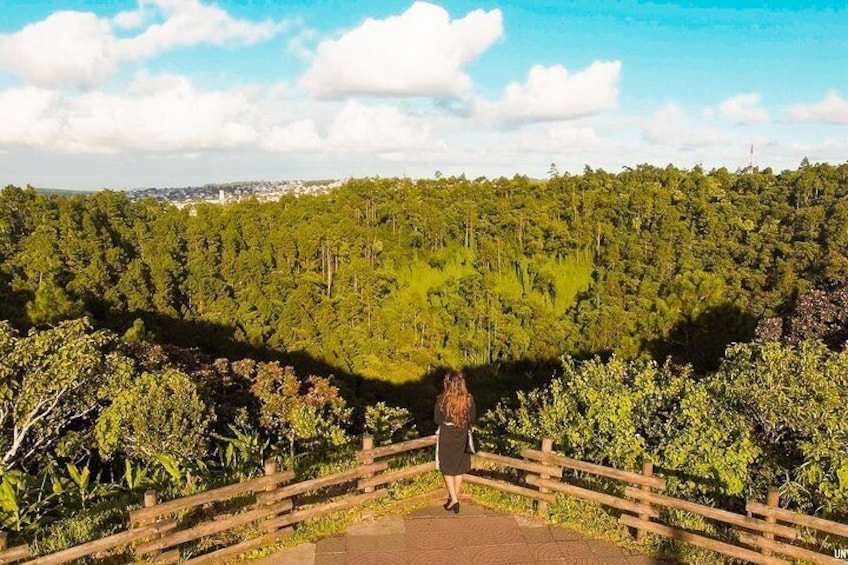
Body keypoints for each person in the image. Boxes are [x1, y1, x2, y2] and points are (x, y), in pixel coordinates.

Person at [434, 372, 476, 513]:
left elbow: (437, 420)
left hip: (447, 435)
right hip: (462, 434)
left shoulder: (441, 400)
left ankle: (454, 500)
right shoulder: (469, 399)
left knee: (447, 467)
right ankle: (454, 498)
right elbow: (473, 418)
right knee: (459, 467)